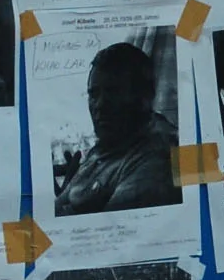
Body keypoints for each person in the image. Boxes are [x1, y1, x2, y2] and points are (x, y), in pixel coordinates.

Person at [57, 41, 181, 215]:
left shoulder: (158, 158)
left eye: (113, 92)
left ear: (145, 95)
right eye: (94, 94)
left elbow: (113, 226)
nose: (100, 105)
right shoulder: (112, 142)